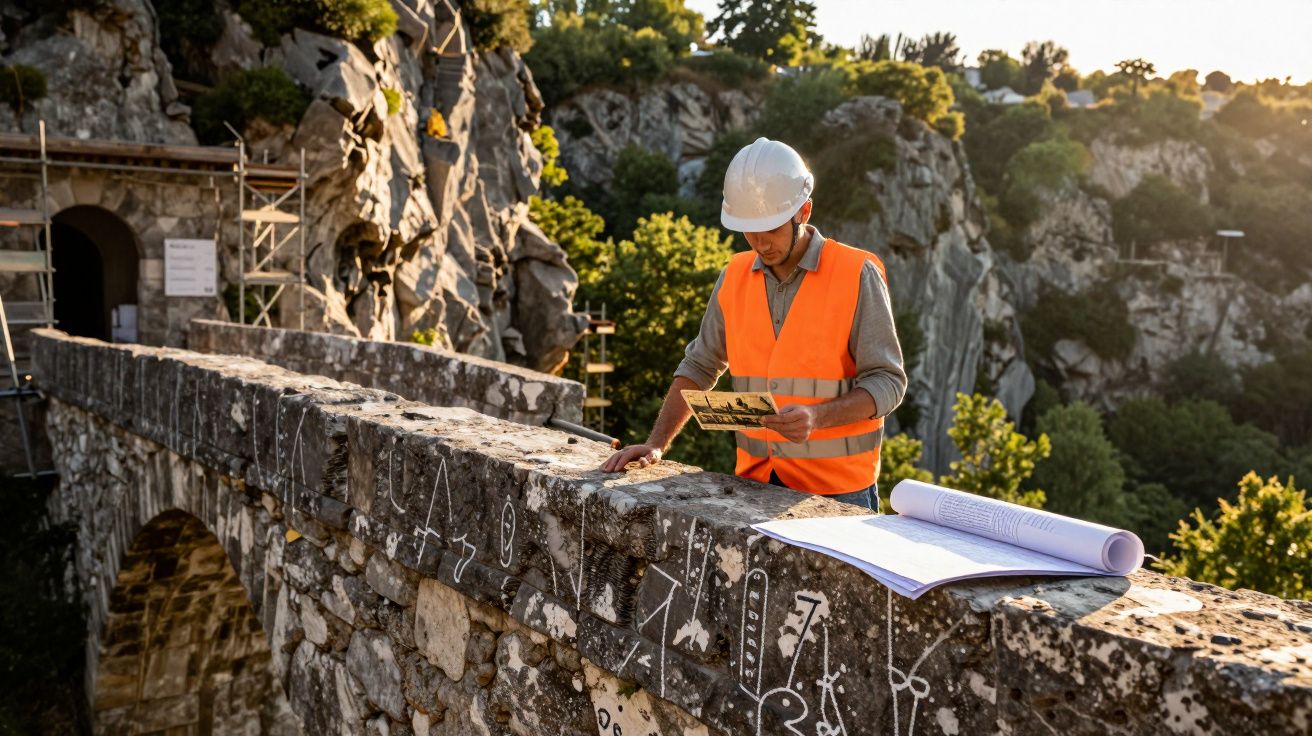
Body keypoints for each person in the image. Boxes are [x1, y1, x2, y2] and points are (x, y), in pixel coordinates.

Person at [600, 137, 906, 511]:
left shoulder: (857, 274)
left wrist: (818, 416)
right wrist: (657, 443)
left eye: (772, 228)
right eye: (749, 230)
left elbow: (888, 383)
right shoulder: (734, 275)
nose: (760, 242)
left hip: (840, 493)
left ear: (803, 212)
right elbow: (699, 365)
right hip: (755, 483)